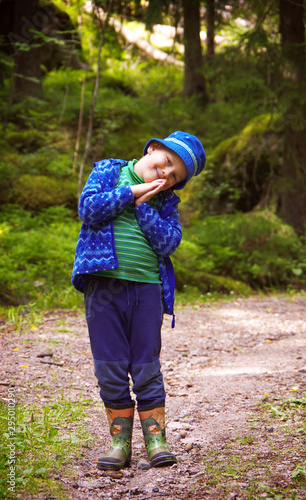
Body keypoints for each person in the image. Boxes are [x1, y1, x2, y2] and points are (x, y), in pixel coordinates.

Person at [72, 131, 206, 470]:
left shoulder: (165, 202)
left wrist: (145, 206)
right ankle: (120, 442)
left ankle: (156, 439)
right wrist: (131, 193)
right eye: (168, 163)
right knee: (110, 364)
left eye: (176, 177)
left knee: (146, 363)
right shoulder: (107, 173)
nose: (167, 175)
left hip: (147, 289)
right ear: (153, 148)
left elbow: (168, 243)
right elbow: (88, 209)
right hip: (103, 288)